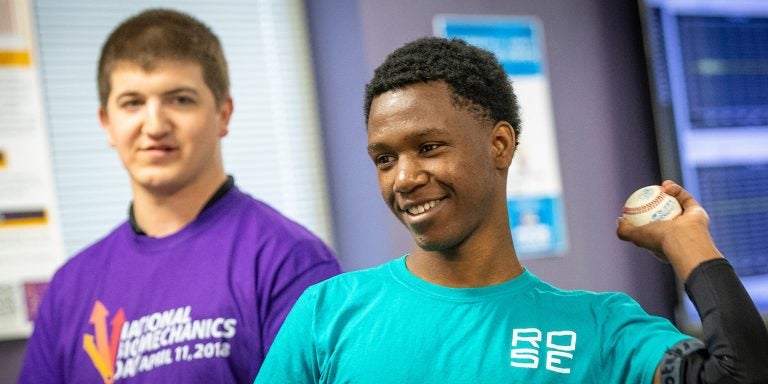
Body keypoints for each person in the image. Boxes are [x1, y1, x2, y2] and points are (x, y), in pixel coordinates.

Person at [254, 37, 768, 383]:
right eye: (384, 158)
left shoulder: (600, 328)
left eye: (429, 147)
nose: (404, 178)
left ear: (499, 145)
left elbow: (742, 373)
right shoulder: (328, 314)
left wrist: (689, 243)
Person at [18, 8, 341, 383]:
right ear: (106, 122)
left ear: (223, 114)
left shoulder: (289, 261)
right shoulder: (69, 288)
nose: (154, 125)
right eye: (132, 103)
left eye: (180, 100)